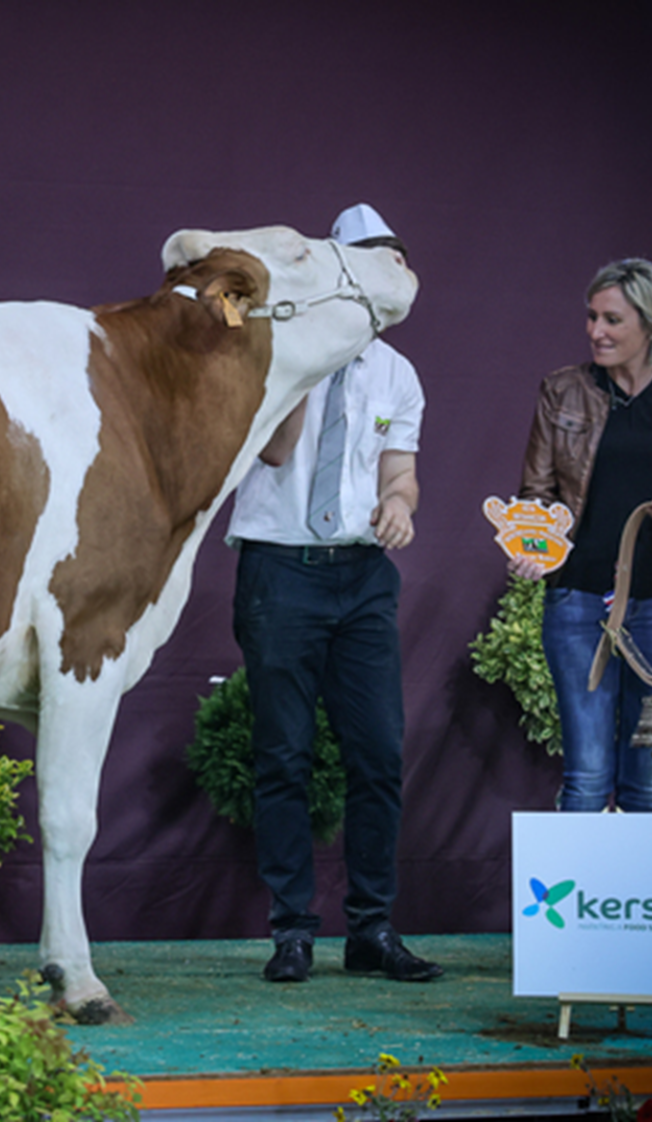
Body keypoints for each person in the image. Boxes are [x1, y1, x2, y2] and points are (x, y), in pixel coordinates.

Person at [228, 202, 440, 984]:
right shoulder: (281, 350)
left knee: (378, 752)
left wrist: (399, 506)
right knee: (282, 755)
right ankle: (292, 932)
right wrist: (304, 364)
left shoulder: (399, 374)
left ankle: (372, 930)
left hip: (361, 577)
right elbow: (278, 452)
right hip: (281, 567)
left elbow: (401, 471)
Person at [511, 259, 652, 812]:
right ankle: (579, 897)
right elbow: (535, 493)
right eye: (591, 317)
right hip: (577, 595)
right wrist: (533, 548)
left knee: (646, 783)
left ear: (651, 324)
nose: (596, 331)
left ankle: (636, 898)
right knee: (586, 774)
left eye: (612, 319)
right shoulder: (561, 391)